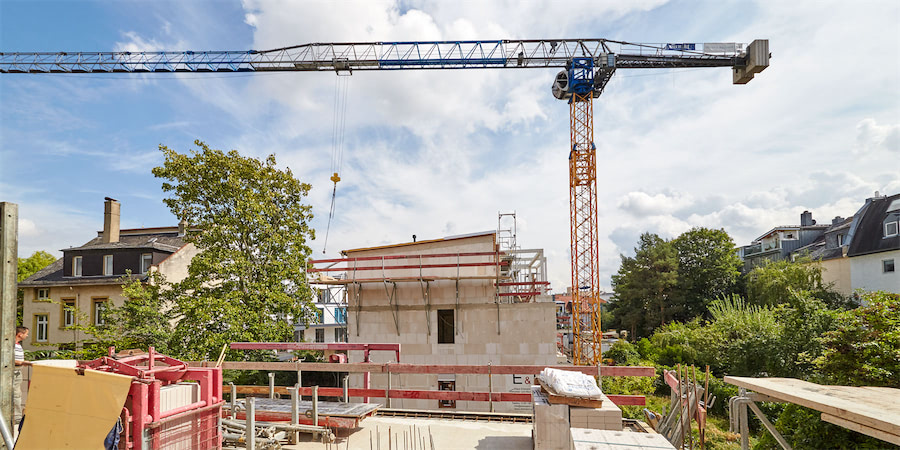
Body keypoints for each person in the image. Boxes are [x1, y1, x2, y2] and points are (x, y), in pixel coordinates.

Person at [13, 326, 32, 430]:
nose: (27, 335)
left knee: (17, 394)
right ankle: (17, 418)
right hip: (14, 372)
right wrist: (24, 363)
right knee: (16, 395)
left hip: (18, 372)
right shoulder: (11, 345)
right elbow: (10, 359)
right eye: (26, 333)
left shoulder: (18, 345)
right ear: (20, 334)